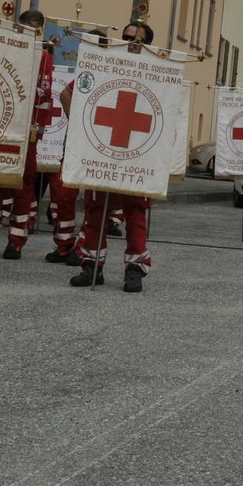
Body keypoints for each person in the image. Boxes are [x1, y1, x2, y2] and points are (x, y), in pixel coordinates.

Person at [71, 21, 156, 293]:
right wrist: (80, 131)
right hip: (103, 152)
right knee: (95, 213)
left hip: (137, 155)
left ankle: (134, 271)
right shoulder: (104, 64)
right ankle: (91, 267)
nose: (130, 42)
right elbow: (70, 93)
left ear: (147, 45)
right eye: (127, 37)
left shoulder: (157, 71)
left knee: (136, 215)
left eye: (137, 40)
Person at [0, 9, 54, 262]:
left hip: (24, 132)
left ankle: (16, 242)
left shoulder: (43, 56)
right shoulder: (5, 49)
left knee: (23, 187)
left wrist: (35, 132)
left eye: (35, 27)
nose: (29, 30)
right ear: (18, 26)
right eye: (26, 25)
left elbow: (45, 98)